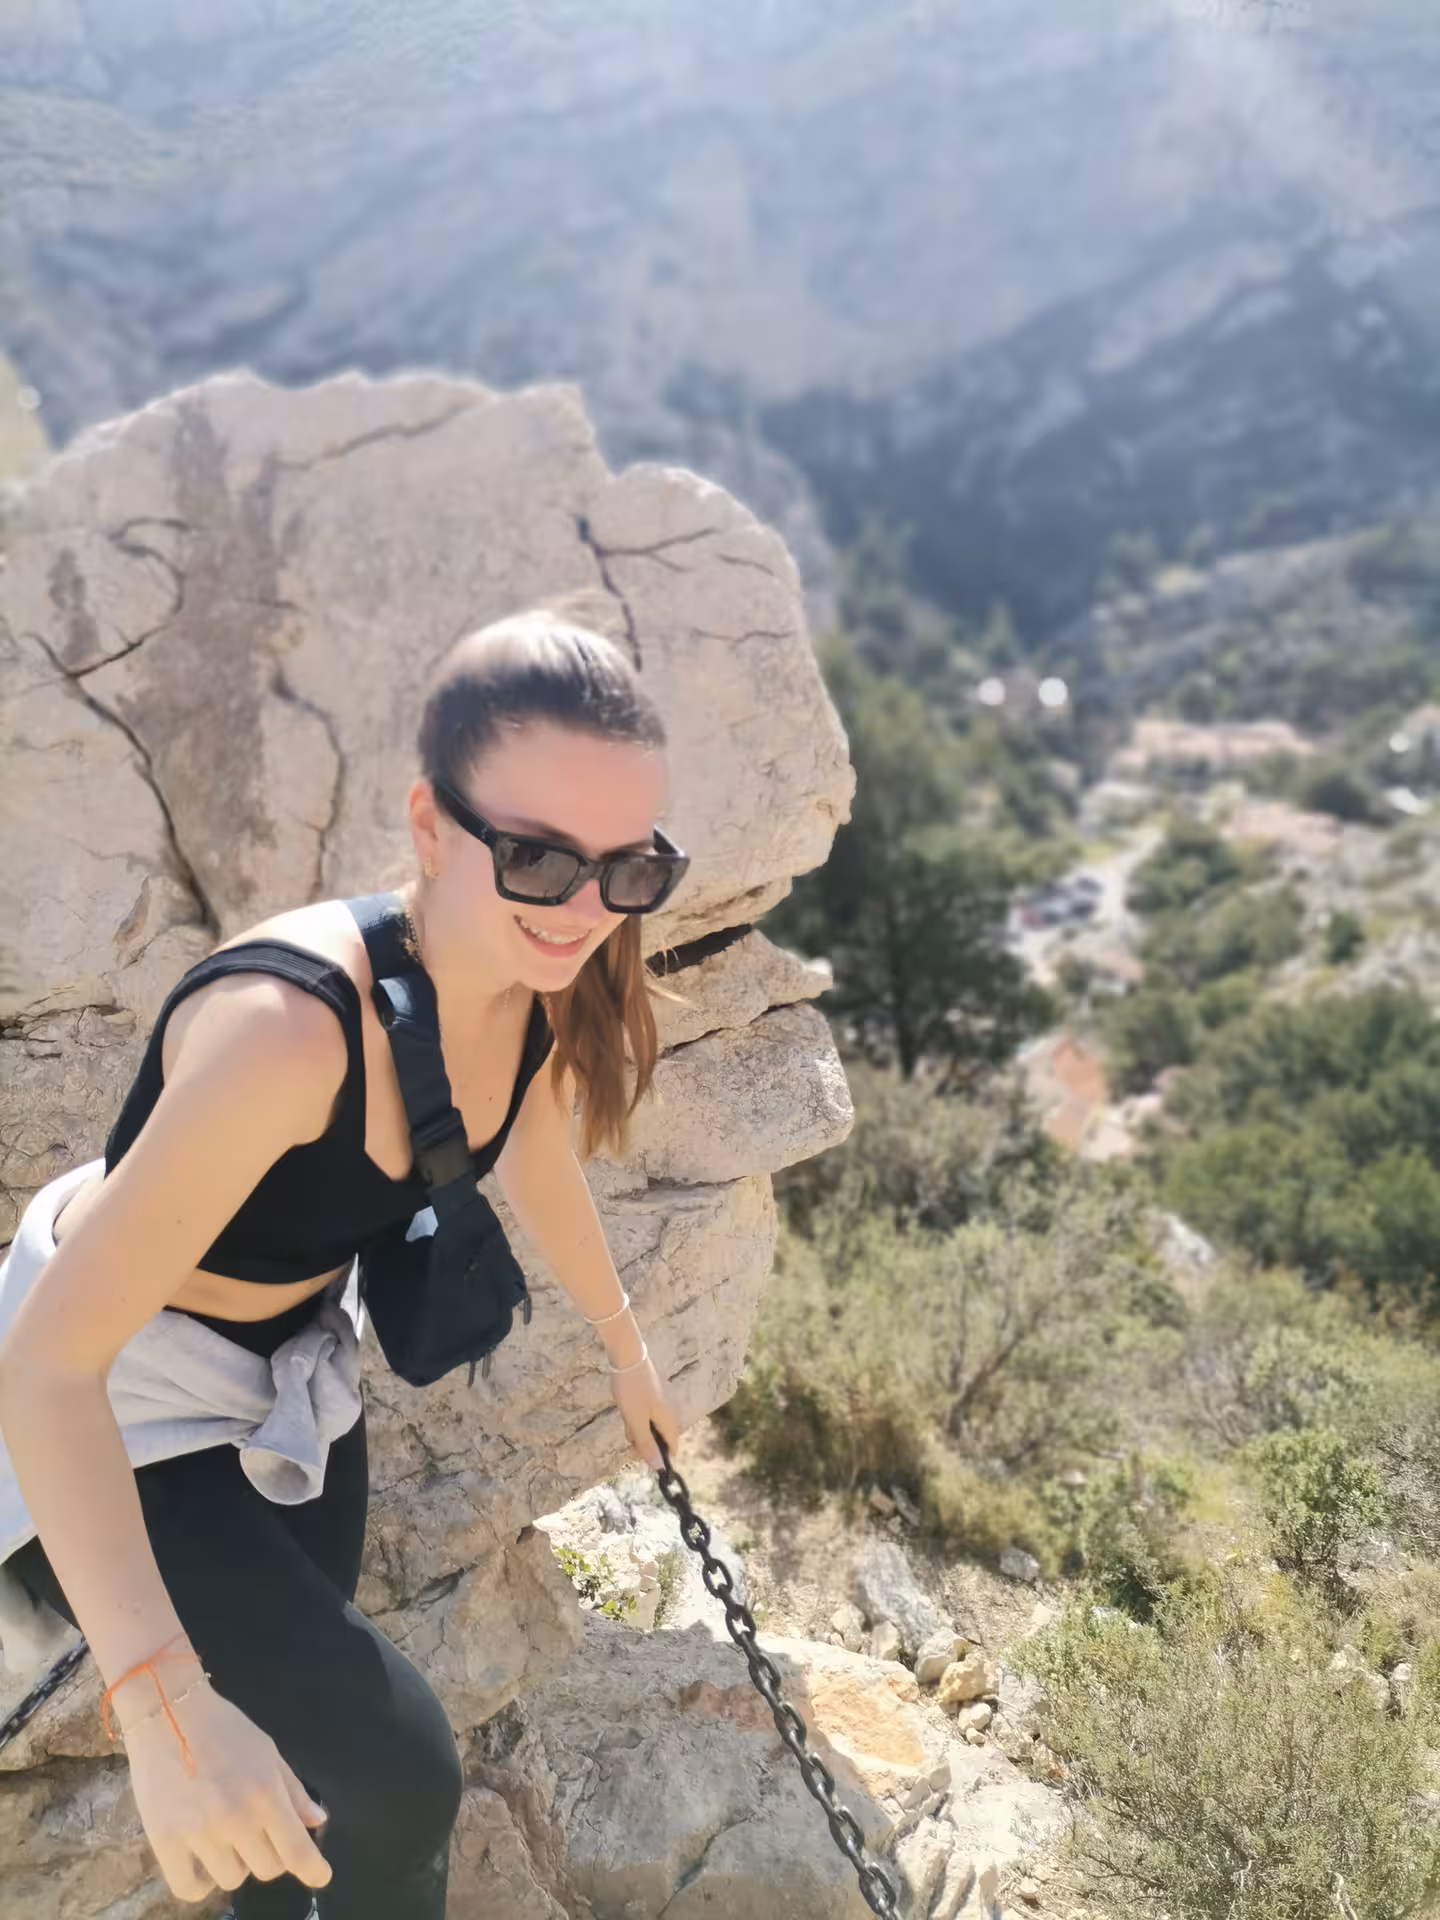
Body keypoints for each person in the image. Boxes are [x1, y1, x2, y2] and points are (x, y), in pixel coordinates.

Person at [0, 609, 688, 1918]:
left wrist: (626, 1348)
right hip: (118, 1391)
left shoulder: (521, 980)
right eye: (538, 859)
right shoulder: (287, 1033)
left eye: (629, 869)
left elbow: (527, 1139)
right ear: (431, 828)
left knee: (311, 1776)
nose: (589, 909)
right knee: (404, 1769)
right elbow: (46, 1364)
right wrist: (158, 1702)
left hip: (291, 1366)